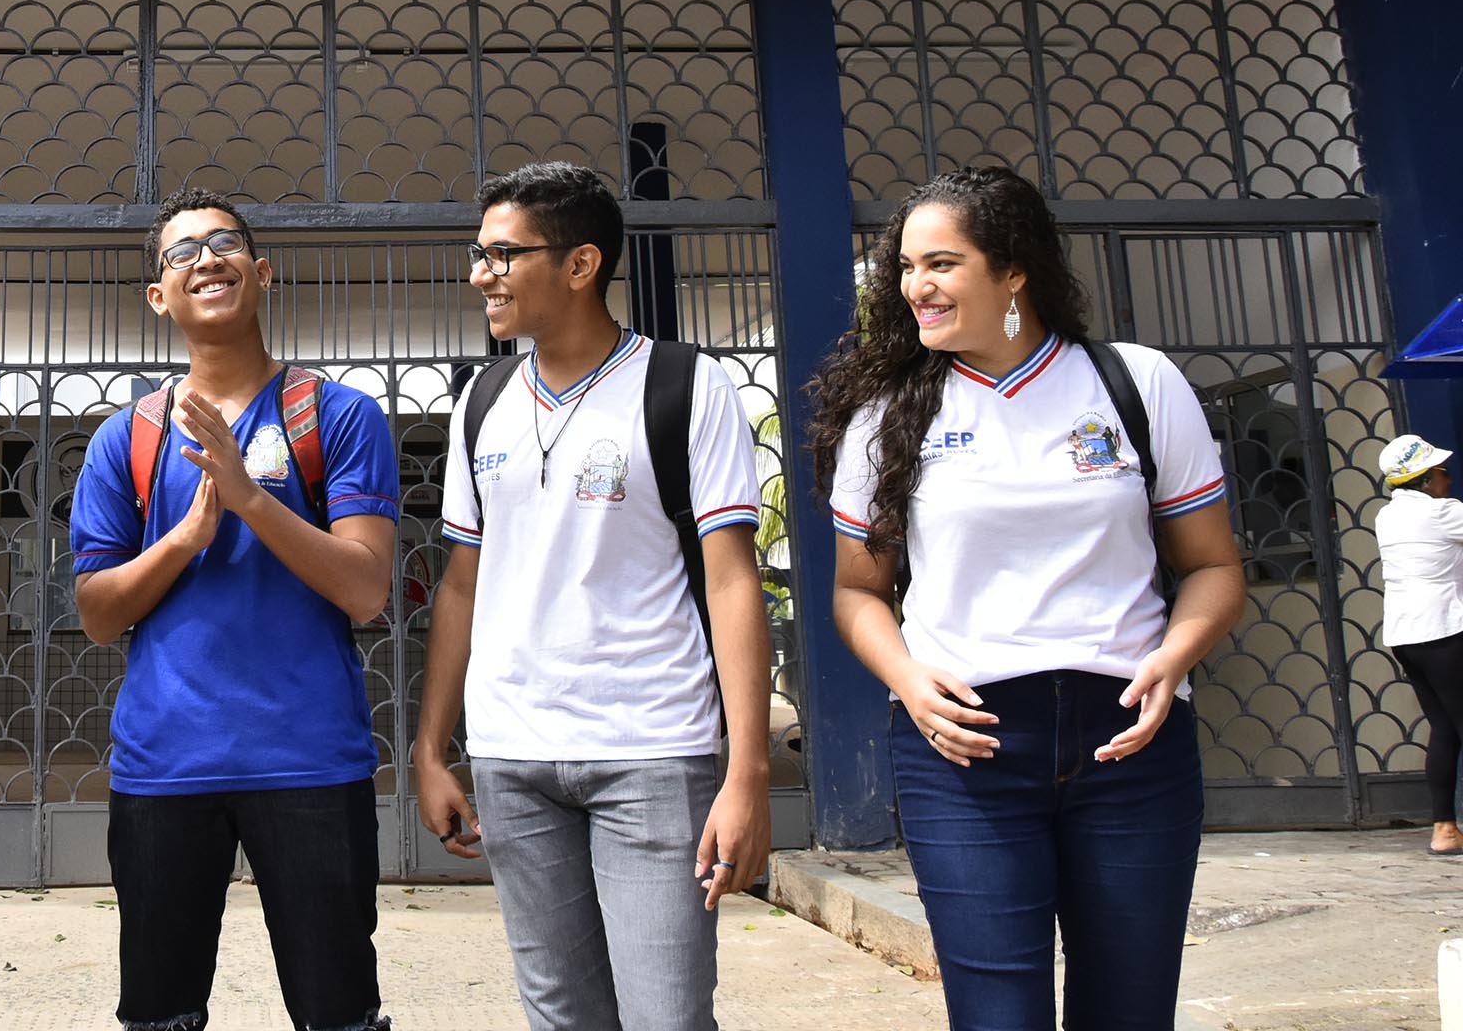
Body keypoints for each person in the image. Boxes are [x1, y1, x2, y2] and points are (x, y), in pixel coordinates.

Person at [811, 165, 1244, 1031]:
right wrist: (907, 680)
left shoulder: (1136, 383)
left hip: (1131, 744)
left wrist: (1174, 656)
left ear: (1012, 270)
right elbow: (858, 594)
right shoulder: (887, 413)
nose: (914, 287)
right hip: (965, 750)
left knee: (1129, 1010)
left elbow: (1212, 568)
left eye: (942, 264)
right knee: (997, 1016)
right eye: (905, 267)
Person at [412, 161, 775, 1031]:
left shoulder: (685, 385)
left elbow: (732, 581)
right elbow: (461, 585)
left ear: (580, 265)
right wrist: (431, 749)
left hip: (651, 749)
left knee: (666, 1016)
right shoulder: (482, 402)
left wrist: (749, 771)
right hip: (513, 756)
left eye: (504, 255)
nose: (480, 275)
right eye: (479, 254)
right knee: (560, 1014)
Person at [71, 187, 401, 1031]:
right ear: (159, 296)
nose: (204, 260)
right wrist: (185, 536)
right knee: (158, 1012)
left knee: (339, 1012)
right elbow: (100, 613)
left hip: (311, 764)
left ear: (261, 273)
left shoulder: (336, 416)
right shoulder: (127, 437)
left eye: (224, 245)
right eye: (181, 253)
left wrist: (250, 497)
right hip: (165, 766)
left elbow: (366, 589)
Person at [1374, 432, 1463, 856]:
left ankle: (1445, 830)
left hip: (1406, 634)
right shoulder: (1443, 513)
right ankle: (1444, 830)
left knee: (1445, 727)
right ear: (1425, 480)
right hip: (1444, 630)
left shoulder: (1387, 517)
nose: (1449, 479)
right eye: (1442, 473)